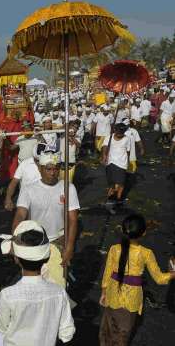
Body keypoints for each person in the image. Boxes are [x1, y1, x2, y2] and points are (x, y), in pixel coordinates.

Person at [0, 221, 75, 346]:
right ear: (46, 258)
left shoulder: (8, 295)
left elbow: (1, 328)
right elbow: (66, 333)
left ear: (16, 259)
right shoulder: (59, 293)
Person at [99, 214, 175, 345]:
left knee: (108, 331)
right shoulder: (146, 253)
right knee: (122, 334)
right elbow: (160, 279)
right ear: (143, 233)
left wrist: (104, 291)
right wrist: (172, 274)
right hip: (131, 300)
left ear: (123, 230)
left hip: (112, 294)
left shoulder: (114, 249)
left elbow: (107, 272)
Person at [12, 152, 80, 287]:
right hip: (34, 242)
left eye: (56, 169)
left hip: (59, 241)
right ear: (40, 168)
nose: (53, 173)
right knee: (34, 283)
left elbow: (73, 219)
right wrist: (15, 242)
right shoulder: (28, 189)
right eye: (48, 169)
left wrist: (70, 246)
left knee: (58, 283)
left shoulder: (68, 188)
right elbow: (20, 215)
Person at [4, 143, 45, 211]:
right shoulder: (24, 164)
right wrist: (8, 199)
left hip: (43, 203)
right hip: (25, 203)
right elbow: (14, 182)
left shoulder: (49, 165)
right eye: (37, 160)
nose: (38, 162)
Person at [102, 123, 132, 208]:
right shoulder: (109, 137)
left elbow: (128, 151)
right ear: (115, 130)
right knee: (111, 182)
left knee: (121, 182)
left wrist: (128, 162)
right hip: (110, 162)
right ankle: (109, 198)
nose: (120, 134)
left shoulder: (127, 139)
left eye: (122, 132)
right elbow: (104, 146)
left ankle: (119, 198)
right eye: (119, 131)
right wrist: (104, 155)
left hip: (121, 163)